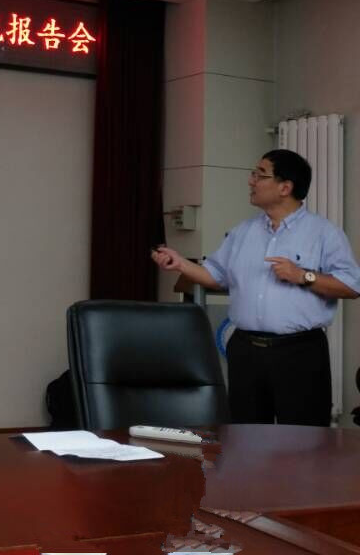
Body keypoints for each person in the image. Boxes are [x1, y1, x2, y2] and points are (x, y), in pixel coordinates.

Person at [152, 149, 360, 425]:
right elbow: (216, 275)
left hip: (299, 352)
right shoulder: (243, 232)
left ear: (285, 187)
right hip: (246, 350)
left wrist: (303, 276)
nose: (251, 181)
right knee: (245, 433)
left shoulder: (323, 233)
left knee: (304, 437)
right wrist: (180, 264)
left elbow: (351, 286)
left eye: (260, 175)